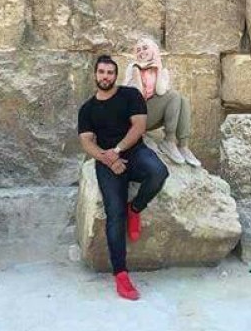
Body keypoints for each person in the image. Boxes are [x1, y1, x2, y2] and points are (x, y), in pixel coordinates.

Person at [78, 54, 169, 301]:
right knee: (114, 215)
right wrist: (109, 159)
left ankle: (135, 208)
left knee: (159, 172)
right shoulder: (87, 109)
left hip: (134, 153)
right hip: (107, 163)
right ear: (95, 75)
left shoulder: (130, 95)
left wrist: (117, 151)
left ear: (115, 75)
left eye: (110, 72)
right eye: (101, 72)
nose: (105, 76)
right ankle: (121, 274)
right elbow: (86, 141)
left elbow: (139, 126)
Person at [124, 37, 201, 167]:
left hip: (150, 116)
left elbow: (160, 91)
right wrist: (137, 72)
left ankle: (183, 146)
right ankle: (169, 140)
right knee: (174, 95)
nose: (141, 52)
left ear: (154, 50)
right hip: (135, 118)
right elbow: (138, 97)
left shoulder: (162, 71)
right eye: (138, 50)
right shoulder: (132, 68)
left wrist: (158, 68)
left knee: (183, 100)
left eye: (145, 48)